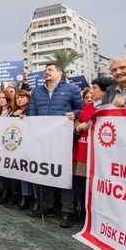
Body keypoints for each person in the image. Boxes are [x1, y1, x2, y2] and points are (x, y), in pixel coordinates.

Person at [27, 63, 83, 225]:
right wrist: (29, 122)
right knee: (45, 171)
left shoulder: (71, 89)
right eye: (45, 70)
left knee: (64, 174)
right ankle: (47, 206)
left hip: (63, 138)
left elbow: (81, 109)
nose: (46, 72)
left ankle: (67, 211)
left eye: (50, 70)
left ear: (60, 73)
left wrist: (75, 114)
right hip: (43, 139)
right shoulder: (37, 91)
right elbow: (32, 110)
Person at [62, 87, 97, 228]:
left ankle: (85, 213)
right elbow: (74, 130)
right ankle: (75, 211)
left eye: (92, 96)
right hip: (78, 154)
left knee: (89, 187)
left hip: (92, 156)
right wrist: (77, 127)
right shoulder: (77, 113)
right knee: (77, 185)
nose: (89, 99)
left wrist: (88, 125)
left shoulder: (102, 110)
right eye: (87, 97)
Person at [11, 90, 34, 210]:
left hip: (30, 145)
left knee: (30, 172)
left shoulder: (31, 110)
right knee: (21, 172)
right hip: (18, 146)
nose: (19, 99)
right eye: (17, 98)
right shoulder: (14, 112)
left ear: (28, 98)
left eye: (22, 97)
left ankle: (31, 198)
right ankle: (24, 196)